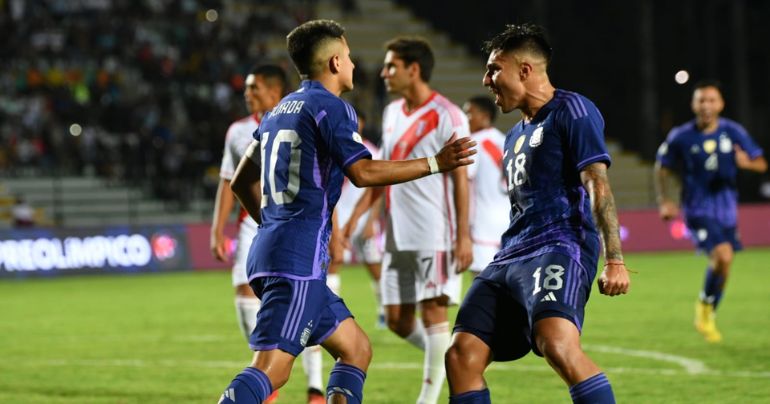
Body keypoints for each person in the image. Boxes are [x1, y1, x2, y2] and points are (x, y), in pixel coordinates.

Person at [218, 19, 476, 404]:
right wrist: (435, 163)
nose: (355, 64)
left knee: (356, 348)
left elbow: (241, 181)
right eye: (351, 56)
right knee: (273, 367)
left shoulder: (276, 113)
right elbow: (363, 171)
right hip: (297, 261)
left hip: (276, 253)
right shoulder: (331, 108)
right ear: (336, 62)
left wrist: (274, 225)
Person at [444, 23, 630, 404]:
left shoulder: (572, 110)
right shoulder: (513, 136)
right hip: (509, 255)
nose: (486, 79)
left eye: (495, 68)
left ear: (524, 70)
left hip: (559, 245)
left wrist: (615, 258)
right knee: (460, 355)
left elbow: (597, 183)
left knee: (557, 345)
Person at [344, 36, 473, 404]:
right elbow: (380, 170)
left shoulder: (448, 114)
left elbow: (461, 179)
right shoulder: (392, 112)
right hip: (396, 234)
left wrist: (463, 235)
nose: (383, 73)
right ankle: (454, 357)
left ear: (413, 69)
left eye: (391, 66)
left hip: (434, 230)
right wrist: (356, 218)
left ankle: (428, 398)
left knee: (433, 310)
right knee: (398, 320)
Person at [210, 64, 328, 403]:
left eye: (255, 88)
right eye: (247, 88)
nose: (248, 93)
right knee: (244, 294)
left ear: (275, 92)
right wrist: (217, 229)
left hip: (292, 223)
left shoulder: (296, 118)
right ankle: (265, 378)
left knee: (302, 304)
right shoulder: (237, 131)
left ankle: (315, 387)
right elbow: (228, 181)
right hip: (253, 220)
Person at [654, 80, 767, 343]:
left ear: (721, 104)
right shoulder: (681, 136)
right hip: (697, 208)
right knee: (723, 256)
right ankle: (704, 309)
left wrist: (746, 163)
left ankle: (707, 310)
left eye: (711, 100)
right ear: (693, 104)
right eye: (701, 100)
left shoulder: (733, 132)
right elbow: (662, 167)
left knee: (724, 266)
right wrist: (666, 200)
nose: (706, 105)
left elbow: (761, 164)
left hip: (727, 209)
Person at [329, 107, 387, 328]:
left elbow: (378, 189)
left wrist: (372, 220)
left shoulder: (372, 151)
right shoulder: (336, 145)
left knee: (374, 266)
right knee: (334, 261)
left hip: (364, 220)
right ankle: (333, 314)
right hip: (339, 216)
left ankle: (384, 311)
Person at [463, 96, 508, 276]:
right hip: (508, 221)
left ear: (485, 116)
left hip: (483, 224)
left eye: (469, 113)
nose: (465, 118)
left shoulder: (473, 143)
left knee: (483, 285)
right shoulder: (505, 140)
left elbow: (464, 183)